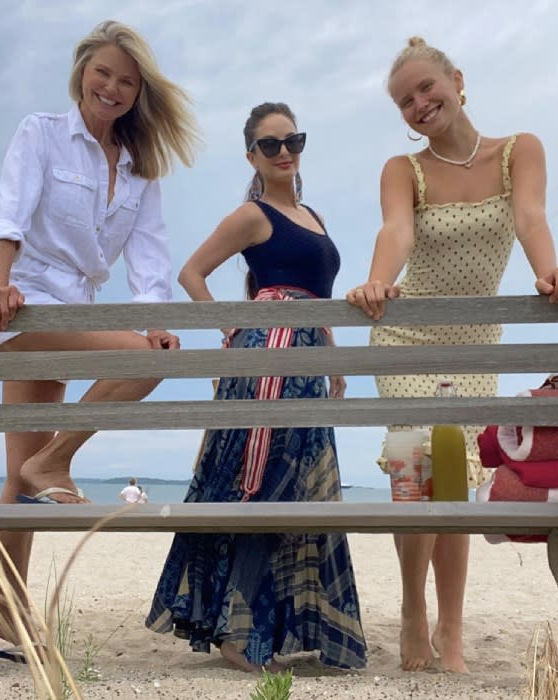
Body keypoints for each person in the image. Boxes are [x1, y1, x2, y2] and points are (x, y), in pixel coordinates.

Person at [0, 20, 198, 655]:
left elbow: (150, 254)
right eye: (102, 73)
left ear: (138, 92)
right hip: (22, 303)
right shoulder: (41, 133)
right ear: (81, 73)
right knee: (137, 366)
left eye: (126, 80)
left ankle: (7, 614)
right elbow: (9, 214)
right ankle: (56, 461)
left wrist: (159, 319)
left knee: (20, 473)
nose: (112, 87)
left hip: (75, 309)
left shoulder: (139, 166)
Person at [346, 37, 558, 673]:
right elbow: (397, 231)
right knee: (416, 475)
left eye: (426, 89)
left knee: (459, 476)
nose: (418, 104)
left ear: (456, 81)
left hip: (474, 343)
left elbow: (528, 218)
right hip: (407, 336)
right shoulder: (401, 169)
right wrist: (379, 279)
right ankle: (414, 614)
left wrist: (550, 271)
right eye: (405, 101)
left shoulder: (518, 151)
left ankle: (454, 632)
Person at [146, 102, 367, 672]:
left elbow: (315, 295)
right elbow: (192, 272)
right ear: (252, 156)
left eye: (292, 139)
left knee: (300, 489)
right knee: (262, 482)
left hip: (305, 358)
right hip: (268, 359)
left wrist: (333, 358)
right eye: (270, 144)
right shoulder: (253, 213)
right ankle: (237, 635)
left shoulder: (311, 212)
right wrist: (236, 326)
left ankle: (273, 628)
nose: (284, 151)